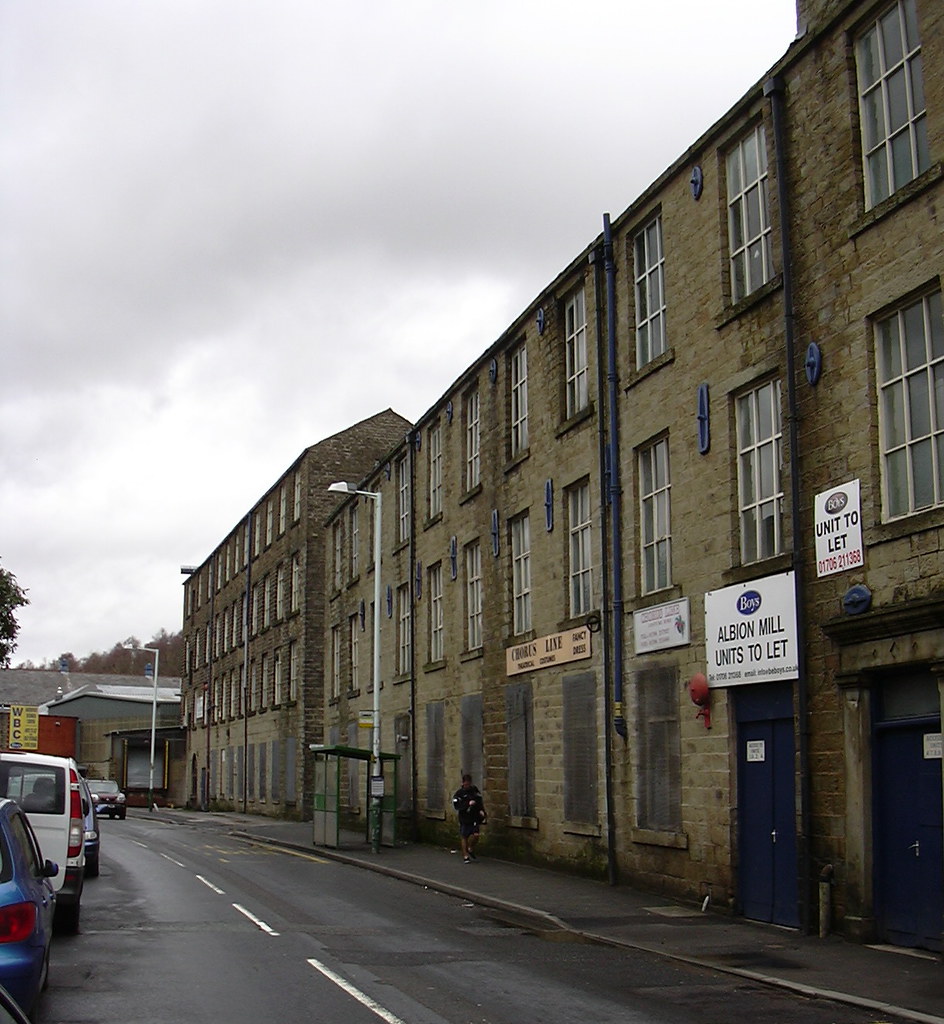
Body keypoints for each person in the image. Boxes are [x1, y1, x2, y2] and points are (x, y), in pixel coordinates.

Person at [452, 773, 486, 863]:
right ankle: (465, 855)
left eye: (468, 784)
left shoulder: (474, 791)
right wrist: (467, 804)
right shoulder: (459, 793)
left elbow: (479, 801)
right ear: (463, 783)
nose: (467, 785)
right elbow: (456, 806)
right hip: (464, 818)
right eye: (466, 784)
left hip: (474, 817)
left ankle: (470, 847)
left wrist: (481, 810)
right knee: (464, 836)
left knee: (476, 835)